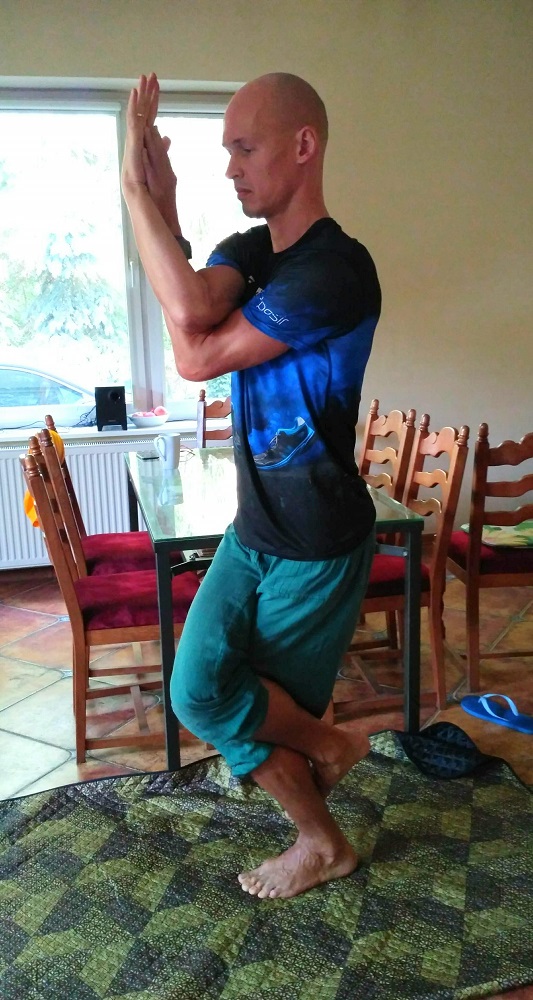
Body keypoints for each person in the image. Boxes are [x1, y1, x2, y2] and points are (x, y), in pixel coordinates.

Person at [121, 71, 381, 899]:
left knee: (239, 704)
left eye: (244, 147)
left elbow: (195, 355)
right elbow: (194, 305)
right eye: (225, 151)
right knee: (204, 690)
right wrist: (162, 204)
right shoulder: (252, 250)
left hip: (315, 544)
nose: (230, 167)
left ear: (303, 146)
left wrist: (136, 195)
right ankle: (330, 748)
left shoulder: (336, 271)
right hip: (255, 527)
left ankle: (321, 842)